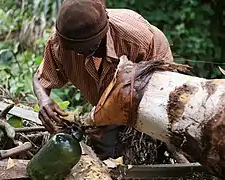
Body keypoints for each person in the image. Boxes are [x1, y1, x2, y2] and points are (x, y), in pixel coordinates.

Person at [33, 0, 174, 160]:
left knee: (153, 136)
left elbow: (156, 92)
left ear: (101, 35)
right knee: (106, 150)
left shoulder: (136, 40)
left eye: (85, 49)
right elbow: (40, 78)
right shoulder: (59, 43)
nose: (78, 54)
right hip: (105, 97)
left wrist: (113, 117)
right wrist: (44, 99)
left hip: (149, 83)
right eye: (72, 49)